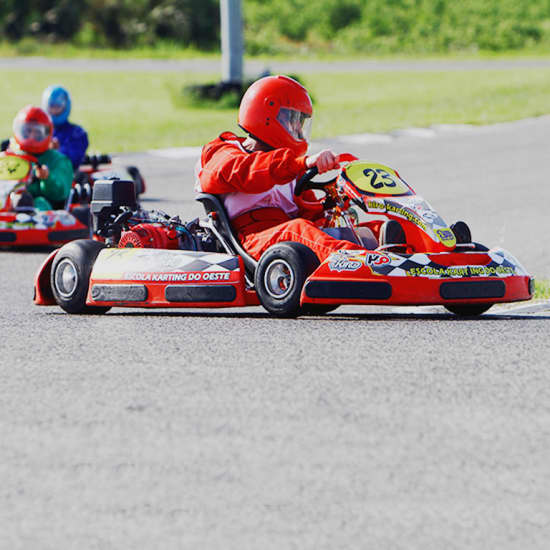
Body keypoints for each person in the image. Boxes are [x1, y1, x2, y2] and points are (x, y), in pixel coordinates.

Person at [195, 75, 361, 262]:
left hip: (290, 239)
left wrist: (335, 200)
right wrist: (302, 163)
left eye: (300, 121)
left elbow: (312, 216)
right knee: (299, 230)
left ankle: (391, 252)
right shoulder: (225, 153)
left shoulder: (290, 168)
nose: (297, 127)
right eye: (292, 119)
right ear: (267, 116)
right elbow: (249, 172)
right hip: (253, 239)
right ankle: (360, 264)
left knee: (362, 231)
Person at [9, 105, 73, 211]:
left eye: (37, 132)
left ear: (47, 133)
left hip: (41, 204)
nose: (31, 137)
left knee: (40, 203)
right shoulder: (11, 155)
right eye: (27, 131)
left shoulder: (58, 160)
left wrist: (47, 178)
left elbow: (61, 193)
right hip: (9, 201)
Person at [41, 85, 89, 170]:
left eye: (58, 106)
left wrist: (54, 151)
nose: (54, 110)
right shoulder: (40, 130)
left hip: (65, 177)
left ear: (66, 107)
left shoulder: (77, 133)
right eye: (52, 106)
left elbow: (73, 160)